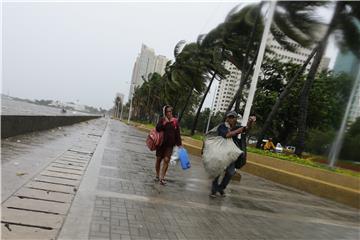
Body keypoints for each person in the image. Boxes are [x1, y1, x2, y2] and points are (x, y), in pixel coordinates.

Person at [210, 111, 256, 198]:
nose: (230, 119)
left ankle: (221, 188)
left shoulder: (236, 127)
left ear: (235, 119)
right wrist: (240, 130)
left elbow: (247, 128)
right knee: (218, 173)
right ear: (226, 118)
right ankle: (213, 190)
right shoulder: (222, 126)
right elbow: (227, 135)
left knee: (230, 173)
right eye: (229, 117)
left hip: (231, 155)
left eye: (232, 117)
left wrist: (250, 122)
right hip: (221, 154)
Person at [155, 105, 182, 185]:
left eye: (170, 111)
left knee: (166, 160)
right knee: (158, 160)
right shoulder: (162, 120)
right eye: (168, 111)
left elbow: (177, 134)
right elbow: (157, 128)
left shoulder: (175, 122)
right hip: (161, 144)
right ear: (165, 112)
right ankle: (157, 175)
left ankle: (162, 178)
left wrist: (179, 144)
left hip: (170, 145)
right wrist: (165, 123)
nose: (169, 113)